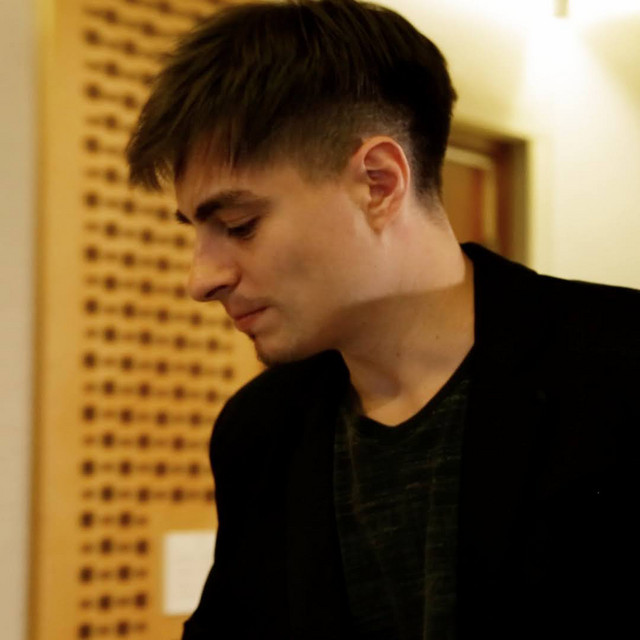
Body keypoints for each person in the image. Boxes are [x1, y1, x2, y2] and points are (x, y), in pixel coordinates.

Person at [126, 1, 638, 638]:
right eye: (197, 231)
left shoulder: (622, 370)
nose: (200, 279)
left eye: (239, 225)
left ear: (378, 183)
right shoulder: (259, 431)